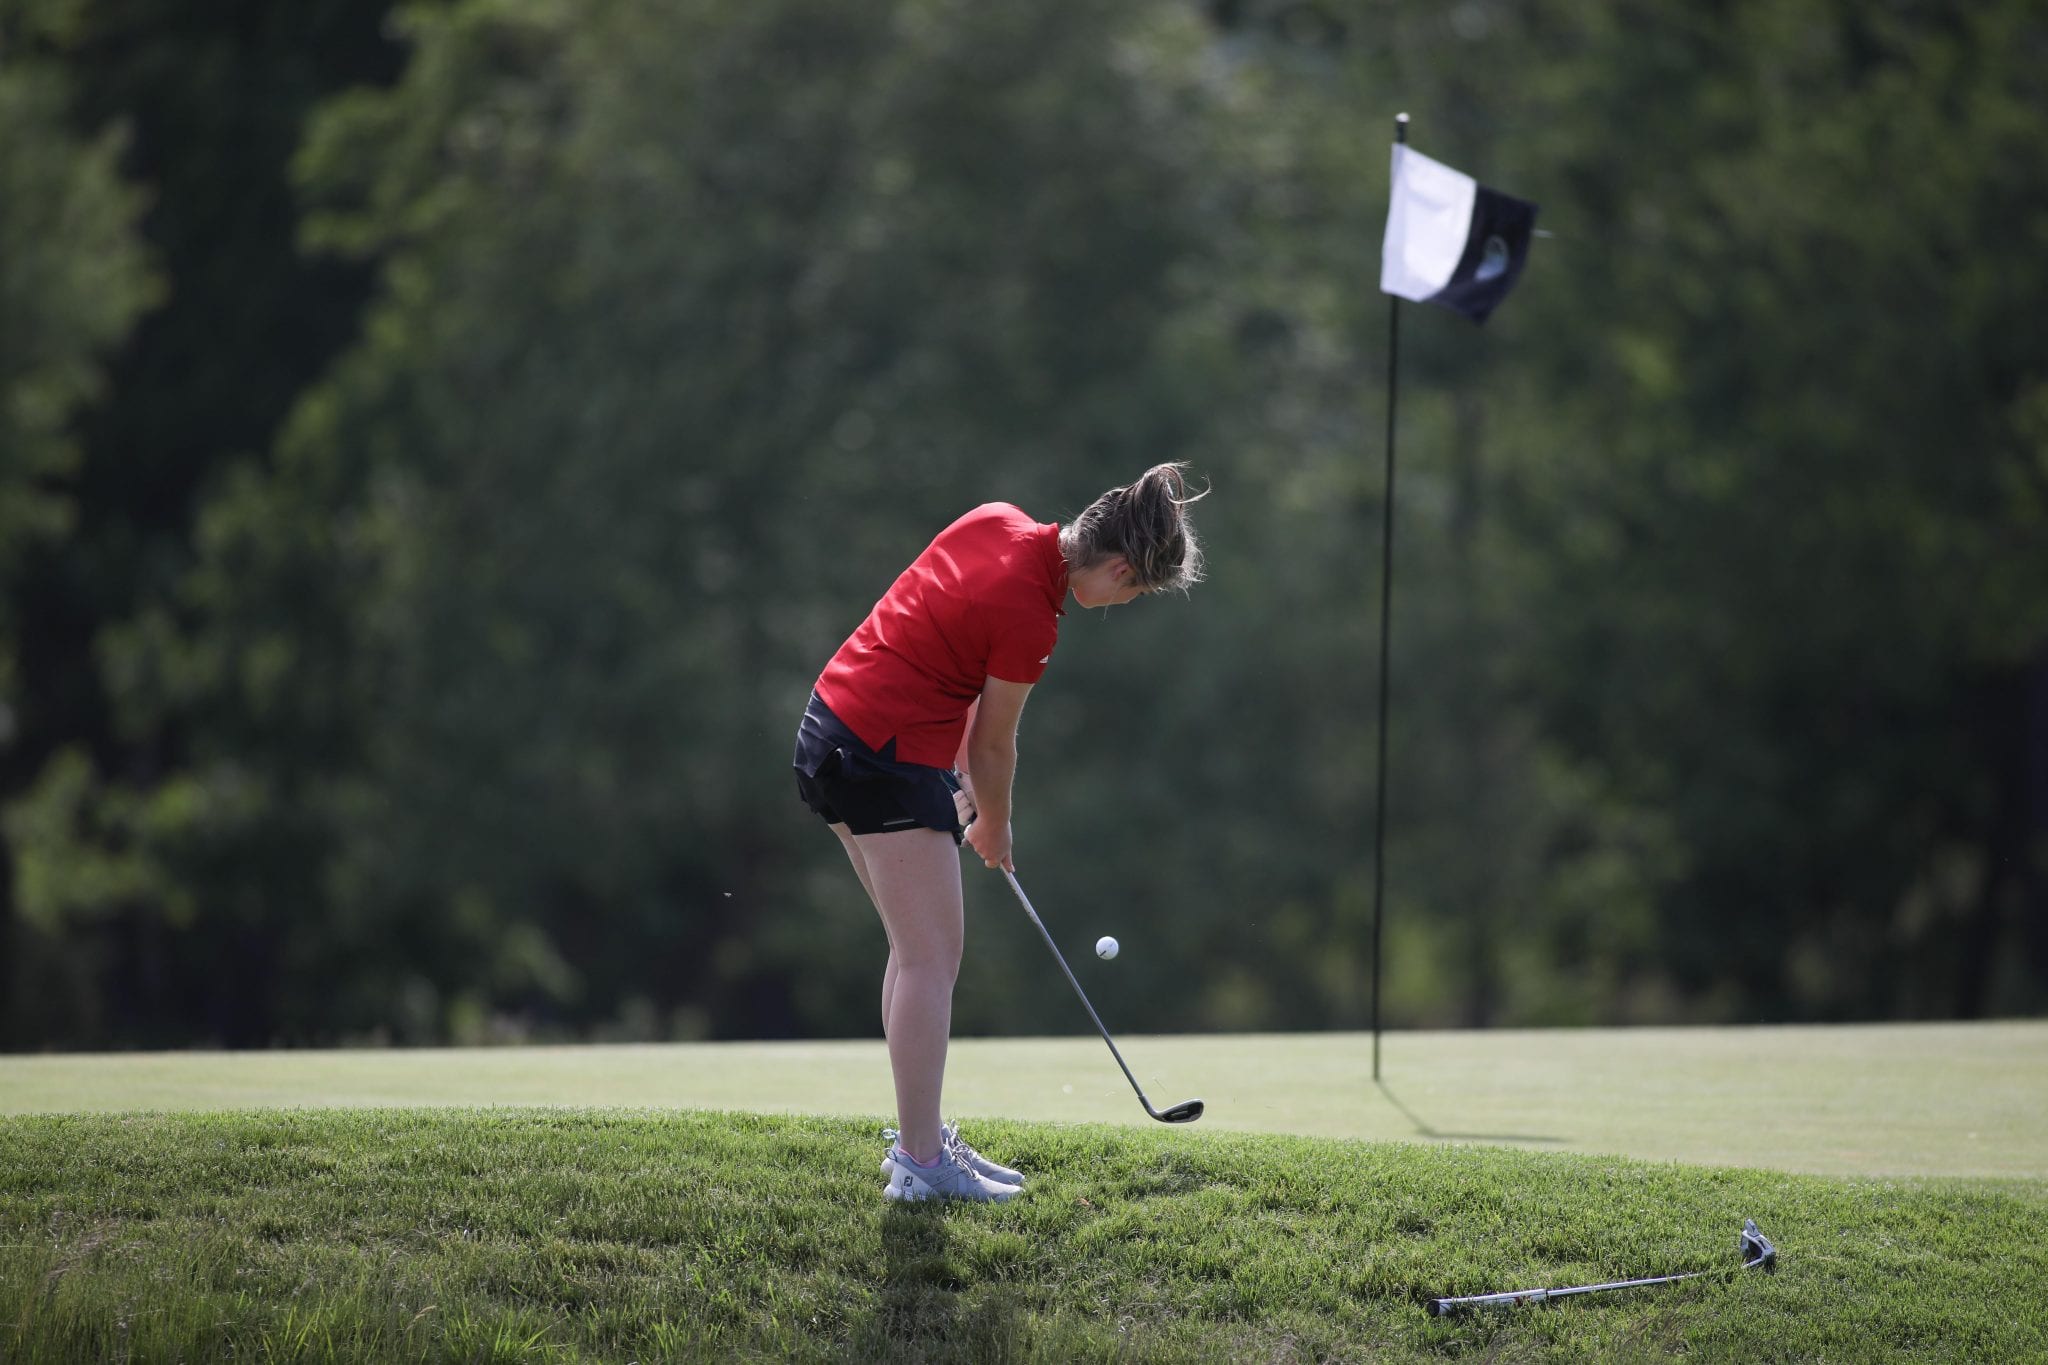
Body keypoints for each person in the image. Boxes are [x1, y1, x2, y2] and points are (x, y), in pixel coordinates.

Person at [793, 463, 1207, 1202]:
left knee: (913, 952)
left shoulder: (996, 519)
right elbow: (994, 744)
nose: (1122, 603)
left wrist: (956, 789)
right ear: (1117, 567)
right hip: (880, 753)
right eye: (1133, 591)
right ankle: (922, 1165)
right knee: (931, 959)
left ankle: (917, 1144)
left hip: (834, 729)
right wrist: (995, 822)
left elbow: (940, 649)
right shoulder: (1034, 619)